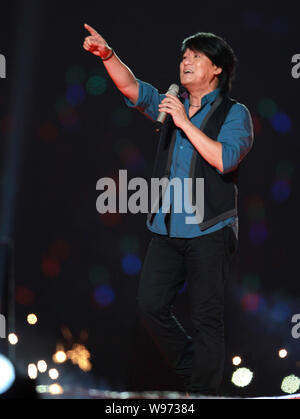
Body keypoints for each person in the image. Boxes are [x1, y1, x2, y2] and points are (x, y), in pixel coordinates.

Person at [83, 24, 254, 396]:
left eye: (195, 57)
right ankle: (199, 372)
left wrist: (184, 121)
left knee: (207, 317)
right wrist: (109, 55)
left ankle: (203, 393)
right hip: (167, 227)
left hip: (210, 227)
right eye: (183, 56)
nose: (185, 62)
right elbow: (131, 87)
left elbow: (224, 159)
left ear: (217, 69)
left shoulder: (234, 113)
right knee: (149, 305)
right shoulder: (169, 104)